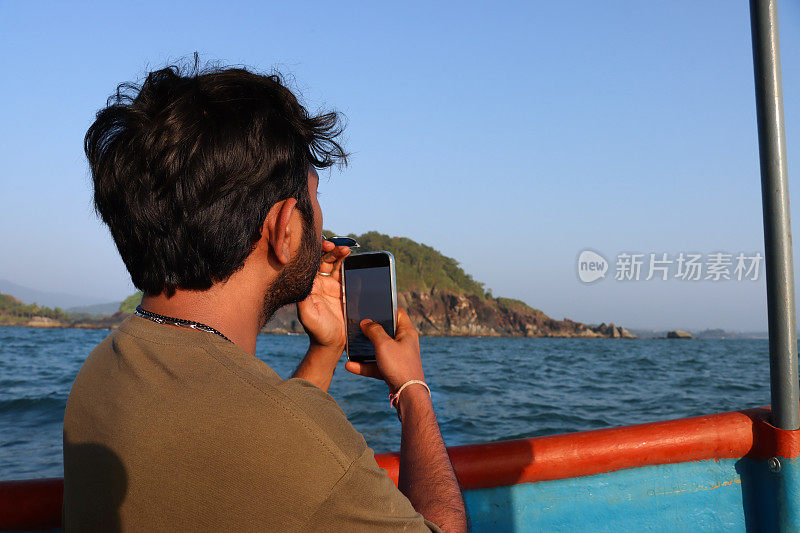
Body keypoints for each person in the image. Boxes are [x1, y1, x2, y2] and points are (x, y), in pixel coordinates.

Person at [62, 62, 468, 532]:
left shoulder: (100, 373)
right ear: (282, 228)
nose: (322, 229)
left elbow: (260, 464)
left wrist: (326, 348)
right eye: (315, 204)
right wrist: (413, 391)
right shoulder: (300, 447)